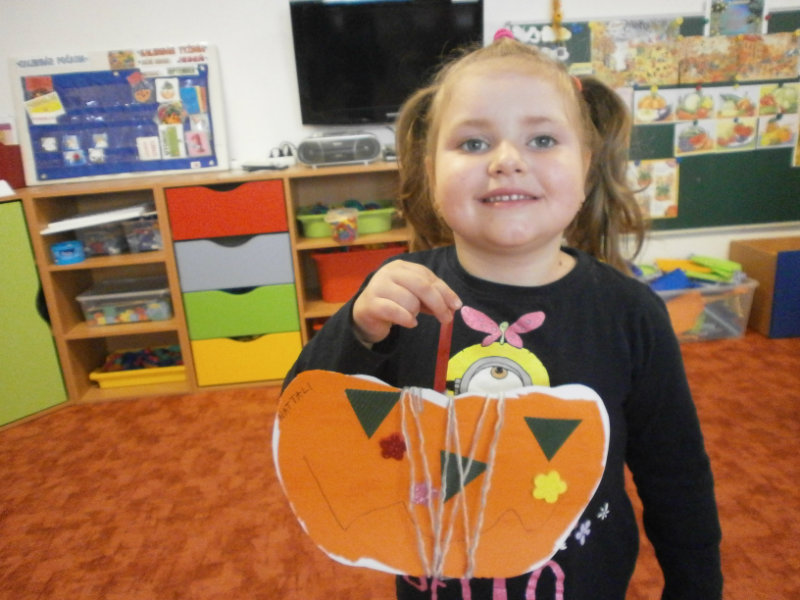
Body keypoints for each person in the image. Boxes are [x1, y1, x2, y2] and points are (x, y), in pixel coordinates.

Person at [283, 33, 722, 600]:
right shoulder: (397, 298)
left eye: (542, 139)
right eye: (472, 143)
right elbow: (306, 425)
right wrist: (357, 332)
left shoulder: (630, 314)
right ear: (429, 170)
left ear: (586, 165)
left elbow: (676, 475)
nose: (507, 160)